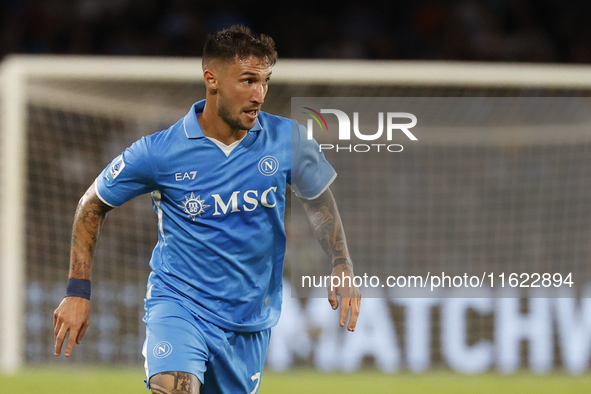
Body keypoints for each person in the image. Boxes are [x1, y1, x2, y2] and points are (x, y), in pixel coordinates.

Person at [53, 25, 360, 394]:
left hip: (248, 322)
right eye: (247, 81)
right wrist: (77, 290)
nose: (259, 94)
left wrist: (342, 263)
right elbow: (92, 204)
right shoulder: (160, 151)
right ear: (211, 79)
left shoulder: (287, 139)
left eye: (265, 82)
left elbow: (317, 199)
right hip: (179, 306)